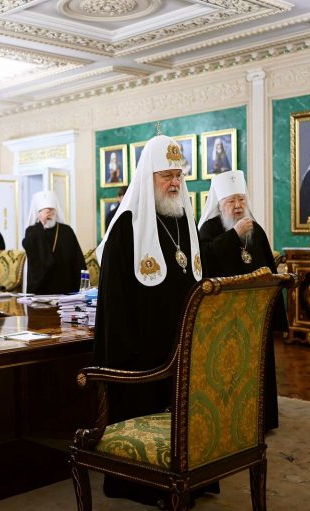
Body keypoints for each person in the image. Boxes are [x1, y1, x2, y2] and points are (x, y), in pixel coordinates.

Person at [94, 134, 203, 507]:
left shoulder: (185, 219)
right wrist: (127, 357)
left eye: (178, 174)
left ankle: (192, 480)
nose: (174, 183)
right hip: (141, 353)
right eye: (166, 175)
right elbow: (115, 303)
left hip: (182, 345)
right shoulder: (127, 226)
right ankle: (141, 484)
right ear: (148, 177)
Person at [198, 170, 286, 431]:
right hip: (224, 316)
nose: (237, 206)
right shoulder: (209, 229)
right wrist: (233, 235)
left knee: (259, 367)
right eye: (231, 201)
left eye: (241, 200)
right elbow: (206, 261)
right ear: (220, 204)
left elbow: (268, 268)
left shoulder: (255, 229)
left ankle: (262, 420)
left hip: (255, 314)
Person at [22, 190, 85, 294]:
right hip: (40, 288)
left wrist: (82, 286)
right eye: (45, 211)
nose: (49, 214)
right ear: (38, 213)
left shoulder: (66, 231)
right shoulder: (32, 231)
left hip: (64, 286)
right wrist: (41, 224)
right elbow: (28, 247)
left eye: (52, 210)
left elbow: (78, 259)